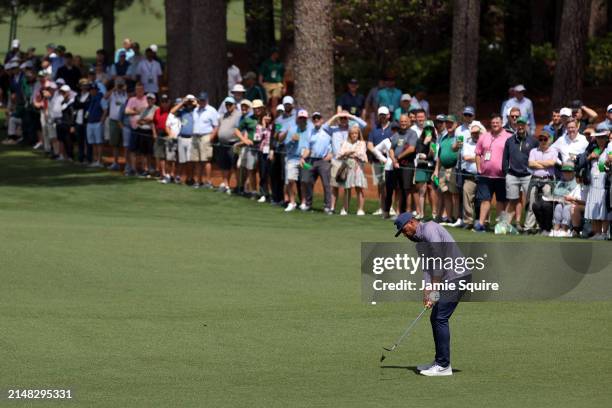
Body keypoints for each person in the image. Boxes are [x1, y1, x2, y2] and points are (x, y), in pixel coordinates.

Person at [393, 212, 471, 377]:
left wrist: (434, 292)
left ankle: (443, 366)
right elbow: (427, 270)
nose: (405, 235)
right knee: (435, 317)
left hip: (458, 277)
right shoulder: (420, 243)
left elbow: (438, 261)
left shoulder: (430, 229)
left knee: (440, 318)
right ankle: (439, 361)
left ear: (412, 222)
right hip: (449, 279)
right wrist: (426, 293)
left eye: (404, 230)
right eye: (402, 233)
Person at [323, 111, 367, 213]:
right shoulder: (334, 129)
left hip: (350, 162)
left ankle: (347, 208)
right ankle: (332, 208)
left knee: (349, 186)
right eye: (341, 118)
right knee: (335, 186)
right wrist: (336, 116)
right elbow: (324, 127)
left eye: (345, 118)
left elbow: (364, 125)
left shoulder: (351, 128)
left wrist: (351, 116)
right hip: (337, 160)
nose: (343, 120)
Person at [474, 114, 511, 232]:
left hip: (502, 176)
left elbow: (512, 155)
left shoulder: (509, 137)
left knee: (501, 201)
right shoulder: (484, 136)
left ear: (502, 123)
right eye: (493, 123)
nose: (495, 124)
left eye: (497, 122)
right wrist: (479, 168)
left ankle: (499, 226)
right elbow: (478, 153)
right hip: (485, 176)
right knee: (485, 200)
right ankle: (480, 224)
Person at [502, 116, 539, 233]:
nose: (521, 126)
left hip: (527, 175)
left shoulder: (533, 141)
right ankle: (506, 225)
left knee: (530, 201)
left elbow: (537, 156)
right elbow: (505, 158)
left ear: (526, 125)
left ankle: (528, 226)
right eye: (519, 124)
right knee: (512, 201)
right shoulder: (510, 140)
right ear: (516, 126)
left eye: (523, 124)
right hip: (512, 175)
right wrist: (506, 172)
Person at [280, 109, 312, 212]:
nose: (302, 120)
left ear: (306, 119)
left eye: (304, 118)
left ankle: (303, 202)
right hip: (292, 158)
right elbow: (286, 146)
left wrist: (303, 158)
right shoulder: (292, 130)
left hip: (304, 158)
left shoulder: (310, 129)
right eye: (300, 118)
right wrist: (292, 141)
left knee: (304, 181)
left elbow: (309, 147)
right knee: (290, 180)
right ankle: (292, 202)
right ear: (297, 119)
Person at [528, 127, 558, 236]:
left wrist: (537, 163)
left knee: (547, 205)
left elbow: (552, 163)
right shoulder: (533, 150)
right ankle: (530, 227)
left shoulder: (553, 150)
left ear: (549, 140)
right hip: (535, 179)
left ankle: (547, 227)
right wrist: (544, 163)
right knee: (532, 204)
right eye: (540, 139)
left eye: (545, 139)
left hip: (548, 180)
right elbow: (530, 164)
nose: (543, 141)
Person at [386, 115, 418, 216]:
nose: (403, 123)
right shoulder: (396, 134)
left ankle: (408, 212)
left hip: (407, 164)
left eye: (405, 121)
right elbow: (391, 148)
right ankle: (398, 212)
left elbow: (411, 149)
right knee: (398, 188)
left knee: (407, 189)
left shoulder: (412, 133)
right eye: (401, 122)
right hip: (396, 165)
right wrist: (393, 159)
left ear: (409, 122)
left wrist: (398, 157)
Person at [301, 111, 333, 212]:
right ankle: (308, 204)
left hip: (323, 160)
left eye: (318, 118)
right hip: (311, 160)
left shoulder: (327, 130)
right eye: (314, 118)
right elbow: (308, 149)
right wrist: (302, 158)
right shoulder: (311, 132)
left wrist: (331, 154)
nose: (316, 120)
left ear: (322, 120)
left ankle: (327, 206)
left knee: (326, 184)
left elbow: (334, 144)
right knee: (307, 181)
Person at [433, 115, 460, 225]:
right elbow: (439, 156)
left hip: (454, 168)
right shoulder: (443, 138)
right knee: (446, 193)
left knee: (455, 194)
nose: (449, 125)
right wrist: (436, 170)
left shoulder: (458, 137)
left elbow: (460, 150)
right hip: (443, 169)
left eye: (451, 123)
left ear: (456, 124)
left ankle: (456, 218)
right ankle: (448, 217)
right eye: (447, 123)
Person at [584, 130, 611, 240]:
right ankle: (597, 233)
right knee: (594, 210)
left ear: (606, 139)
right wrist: (590, 157)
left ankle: (604, 233)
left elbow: (606, 166)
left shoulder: (609, 150)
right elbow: (587, 161)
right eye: (598, 138)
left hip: (604, 183)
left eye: (602, 137)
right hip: (593, 183)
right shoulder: (594, 149)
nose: (600, 140)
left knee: (603, 210)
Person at [212, 96, 241, 193]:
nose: (228, 106)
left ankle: (238, 186)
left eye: (230, 104)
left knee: (234, 165)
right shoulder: (224, 115)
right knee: (224, 165)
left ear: (234, 105)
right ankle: (226, 184)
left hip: (234, 143)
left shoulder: (238, 115)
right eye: (227, 104)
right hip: (223, 144)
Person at [367, 106, 393, 215]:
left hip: (390, 161)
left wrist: (387, 158)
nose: (382, 117)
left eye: (384, 115)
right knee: (380, 184)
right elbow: (369, 145)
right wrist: (380, 157)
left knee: (390, 185)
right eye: (380, 115)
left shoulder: (393, 128)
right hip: (378, 162)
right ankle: (381, 207)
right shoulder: (374, 129)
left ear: (388, 115)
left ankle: (390, 207)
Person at [338, 124, 368, 215]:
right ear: (349, 134)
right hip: (348, 167)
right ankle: (345, 208)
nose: (354, 135)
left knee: (359, 188)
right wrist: (349, 153)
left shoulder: (362, 143)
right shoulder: (345, 143)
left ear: (359, 134)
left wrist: (348, 153)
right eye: (352, 133)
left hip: (358, 167)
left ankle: (360, 209)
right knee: (347, 188)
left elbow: (361, 154)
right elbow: (340, 154)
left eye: (356, 133)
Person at [191, 92, 218, 188]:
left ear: (207, 100)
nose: (201, 101)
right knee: (197, 160)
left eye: (203, 100)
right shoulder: (195, 110)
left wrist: (211, 138)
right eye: (200, 100)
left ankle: (208, 182)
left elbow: (216, 126)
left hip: (206, 136)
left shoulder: (211, 110)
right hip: (195, 136)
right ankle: (198, 181)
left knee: (206, 160)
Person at [461, 122, 484, 230]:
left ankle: (481, 221)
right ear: (471, 134)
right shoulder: (467, 144)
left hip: (482, 176)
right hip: (469, 175)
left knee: (482, 199)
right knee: (467, 199)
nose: (475, 134)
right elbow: (465, 157)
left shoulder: (484, 143)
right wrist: (479, 158)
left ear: (480, 133)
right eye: (473, 133)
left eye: (477, 133)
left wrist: (474, 157)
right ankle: (468, 221)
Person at [234, 99, 258, 196]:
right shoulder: (242, 117)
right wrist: (242, 141)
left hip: (250, 146)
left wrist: (242, 142)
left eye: (246, 107)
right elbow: (238, 131)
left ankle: (249, 189)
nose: (243, 108)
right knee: (241, 166)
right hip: (244, 146)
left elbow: (248, 134)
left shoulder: (250, 118)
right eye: (242, 106)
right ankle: (243, 187)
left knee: (249, 168)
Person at [170, 94, 197, 183]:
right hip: (182, 138)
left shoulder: (196, 111)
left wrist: (195, 102)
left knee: (190, 160)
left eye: (190, 102)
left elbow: (202, 108)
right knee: (181, 160)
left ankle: (190, 178)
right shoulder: (183, 111)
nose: (189, 104)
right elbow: (172, 112)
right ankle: (179, 177)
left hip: (191, 139)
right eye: (188, 102)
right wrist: (183, 102)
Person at [415, 120, 438, 220]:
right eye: (426, 129)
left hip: (431, 167)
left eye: (430, 128)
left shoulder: (435, 140)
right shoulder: (420, 141)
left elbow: (431, 156)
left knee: (432, 189)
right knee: (422, 190)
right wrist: (425, 143)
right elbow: (419, 154)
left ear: (433, 130)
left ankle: (434, 213)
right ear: (423, 130)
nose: (428, 130)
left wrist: (430, 154)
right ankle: (421, 213)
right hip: (421, 167)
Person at [125, 84, 151, 174]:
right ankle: (133, 169)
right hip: (134, 128)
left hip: (145, 128)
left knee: (144, 150)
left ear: (144, 90)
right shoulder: (132, 99)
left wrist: (136, 112)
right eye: (137, 90)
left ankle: (145, 169)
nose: (139, 92)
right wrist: (138, 111)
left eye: (141, 90)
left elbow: (150, 112)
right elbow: (127, 111)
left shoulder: (147, 99)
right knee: (133, 150)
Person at [105, 78, 128, 170]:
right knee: (114, 144)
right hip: (114, 121)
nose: (119, 87)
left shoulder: (125, 94)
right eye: (118, 85)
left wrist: (123, 89)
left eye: (121, 85)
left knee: (125, 144)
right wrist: (114, 88)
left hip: (123, 121)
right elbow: (105, 97)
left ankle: (126, 163)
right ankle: (115, 162)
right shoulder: (112, 94)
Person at [550, 163, 579, 237]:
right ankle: (556, 229)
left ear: (573, 172)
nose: (566, 173)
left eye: (569, 172)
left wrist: (564, 194)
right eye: (564, 171)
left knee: (567, 208)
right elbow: (555, 192)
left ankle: (565, 230)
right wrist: (565, 194)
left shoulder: (576, 181)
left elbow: (573, 195)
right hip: (563, 202)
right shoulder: (560, 182)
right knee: (558, 207)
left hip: (574, 203)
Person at [253, 100, 273, 202]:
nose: (267, 118)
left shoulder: (273, 127)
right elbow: (257, 138)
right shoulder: (259, 126)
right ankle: (263, 193)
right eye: (266, 116)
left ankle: (272, 194)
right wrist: (264, 127)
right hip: (262, 152)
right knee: (262, 173)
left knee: (271, 173)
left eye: (269, 116)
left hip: (271, 153)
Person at [85, 83, 106, 167]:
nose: (92, 91)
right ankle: (95, 159)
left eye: (94, 90)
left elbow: (105, 110)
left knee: (99, 142)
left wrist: (102, 121)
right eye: (91, 90)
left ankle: (99, 160)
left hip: (97, 122)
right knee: (93, 142)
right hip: (90, 122)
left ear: (97, 90)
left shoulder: (101, 98)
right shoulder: (90, 99)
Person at [258, 47, 285, 113]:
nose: (278, 55)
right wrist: (261, 83)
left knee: (274, 100)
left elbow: (282, 76)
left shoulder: (280, 64)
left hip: (277, 84)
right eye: (276, 53)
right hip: (267, 84)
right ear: (273, 53)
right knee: (266, 101)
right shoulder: (266, 63)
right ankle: (266, 115)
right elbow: (261, 75)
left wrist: (284, 87)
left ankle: (274, 117)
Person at [152, 94, 171, 182]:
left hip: (168, 135)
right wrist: (154, 133)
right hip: (159, 135)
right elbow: (153, 123)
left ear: (168, 103)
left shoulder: (171, 112)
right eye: (162, 102)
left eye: (165, 102)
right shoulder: (157, 111)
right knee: (160, 156)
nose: (164, 104)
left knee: (169, 156)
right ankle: (163, 173)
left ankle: (170, 174)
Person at [72, 79, 92, 163]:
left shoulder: (90, 96)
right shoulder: (77, 96)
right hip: (78, 120)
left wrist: (80, 105)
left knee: (88, 141)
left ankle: (89, 158)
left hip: (86, 121)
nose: (84, 87)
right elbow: (75, 106)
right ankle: (80, 157)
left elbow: (86, 106)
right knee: (80, 141)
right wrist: (81, 105)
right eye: (82, 85)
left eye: (85, 85)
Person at [55, 84, 75, 161]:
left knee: (68, 141)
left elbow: (72, 115)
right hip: (62, 123)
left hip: (68, 124)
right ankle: (64, 155)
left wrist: (72, 125)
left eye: (64, 92)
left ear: (68, 92)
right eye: (62, 92)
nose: (62, 94)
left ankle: (70, 156)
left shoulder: (71, 102)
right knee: (62, 140)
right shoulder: (62, 101)